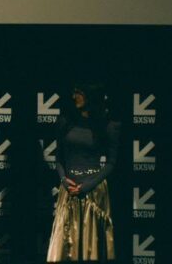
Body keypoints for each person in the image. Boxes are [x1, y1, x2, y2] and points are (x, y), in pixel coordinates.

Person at [46, 84, 120, 261]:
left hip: (93, 194)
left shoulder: (108, 126)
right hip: (69, 193)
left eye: (78, 92)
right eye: (73, 92)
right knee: (64, 251)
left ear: (90, 95)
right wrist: (63, 179)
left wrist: (87, 186)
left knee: (91, 250)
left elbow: (111, 163)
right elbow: (59, 159)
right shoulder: (64, 122)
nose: (74, 96)